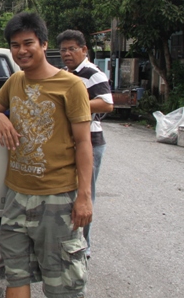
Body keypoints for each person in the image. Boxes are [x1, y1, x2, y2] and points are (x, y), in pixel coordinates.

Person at [0, 12, 93, 298]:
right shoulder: (15, 81)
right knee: (16, 276)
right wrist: (0, 118)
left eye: (27, 43)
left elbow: (83, 143)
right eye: (15, 45)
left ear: (43, 44)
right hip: (17, 197)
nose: (21, 51)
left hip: (57, 198)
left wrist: (84, 196)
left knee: (63, 284)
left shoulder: (71, 86)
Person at [57, 29, 114, 258]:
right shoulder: (63, 73)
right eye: (63, 50)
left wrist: (74, 105)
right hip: (68, 142)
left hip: (91, 140)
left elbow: (107, 104)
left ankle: (84, 246)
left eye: (72, 49)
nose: (67, 54)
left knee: (84, 194)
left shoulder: (92, 73)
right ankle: (68, 239)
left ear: (84, 49)